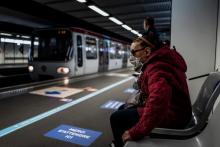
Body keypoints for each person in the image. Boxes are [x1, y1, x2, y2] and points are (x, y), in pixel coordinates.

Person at [110, 34, 192, 147]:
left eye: (134, 52)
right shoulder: (161, 61)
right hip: (176, 110)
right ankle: (121, 141)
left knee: (116, 118)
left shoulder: (157, 68)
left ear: (147, 51)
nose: (131, 57)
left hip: (174, 115)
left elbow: (157, 103)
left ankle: (121, 143)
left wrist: (136, 132)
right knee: (122, 109)